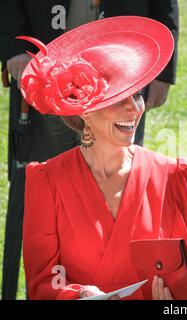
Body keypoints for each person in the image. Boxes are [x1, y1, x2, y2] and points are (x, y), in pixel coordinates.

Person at [20, 16, 187, 300]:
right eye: (119, 99)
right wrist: (78, 296)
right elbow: (42, 284)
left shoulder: (170, 175)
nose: (134, 109)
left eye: (138, 95)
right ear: (84, 110)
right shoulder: (47, 180)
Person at [0, 0, 81, 300]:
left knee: (107, 187)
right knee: (42, 192)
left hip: (113, 59)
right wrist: (12, 44)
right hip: (43, 67)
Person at [101, 0, 179, 146]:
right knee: (54, 155)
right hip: (55, 46)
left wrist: (163, 70)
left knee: (122, 157)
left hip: (129, 58)